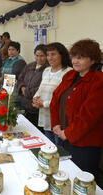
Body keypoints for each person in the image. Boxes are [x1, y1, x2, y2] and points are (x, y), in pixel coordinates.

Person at [50, 39, 103, 181]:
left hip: (84, 143)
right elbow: (55, 100)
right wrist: (56, 124)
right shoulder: (70, 75)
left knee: (81, 179)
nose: (75, 61)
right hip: (62, 136)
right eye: (74, 57)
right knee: (63, 175)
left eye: (81, 57)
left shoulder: (98, 81)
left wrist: (67, 133)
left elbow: (89, 116)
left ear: (93, 60)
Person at [33, 42, 72, 145]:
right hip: (45, 117)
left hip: (58, 121)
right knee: (48, 147)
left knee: (58, 150)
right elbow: (40, 89)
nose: (50, 58)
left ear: (62, 55)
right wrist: (35, 98)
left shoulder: (68, 73)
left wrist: (44, 103)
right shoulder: (46, 70)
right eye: (48, 54)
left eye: (53, 54)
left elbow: (64, 100)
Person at [17, 44, 48, 131]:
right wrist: (22, 87)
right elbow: (20, 78)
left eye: (42, 56)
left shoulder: (48, 69)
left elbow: (42, 87)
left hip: (37, 109)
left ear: (46, 56)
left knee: (38, 132)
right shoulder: (30, 66)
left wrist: (26, 92)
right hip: (26, 106)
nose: (39, 58)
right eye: (37, 55)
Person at [0, 41, 26, 109]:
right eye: (9, 49)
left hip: (15, 91)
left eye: (13, 49)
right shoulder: (7, 60)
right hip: (7, 89)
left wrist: (4, 79)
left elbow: (18, 76)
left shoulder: (20, 61)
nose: (10, 51)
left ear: (18, 51)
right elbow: (2, 71)